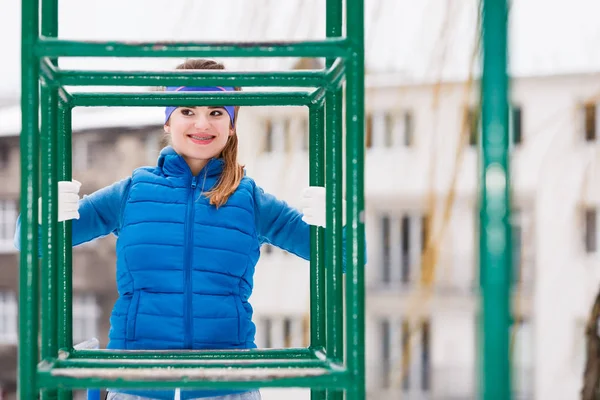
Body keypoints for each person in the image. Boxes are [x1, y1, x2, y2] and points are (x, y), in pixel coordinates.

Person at [14, 59, 347, 400]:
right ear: (168, 120)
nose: (202, 123)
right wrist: (44, 213)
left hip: (225, 387)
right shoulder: (133, 191)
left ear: (232, 125)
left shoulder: (250, 199)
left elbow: (343, 257)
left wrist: (336, 220)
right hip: (138, 385)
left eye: (217, 112)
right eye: (188, 110)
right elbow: (33, 241)